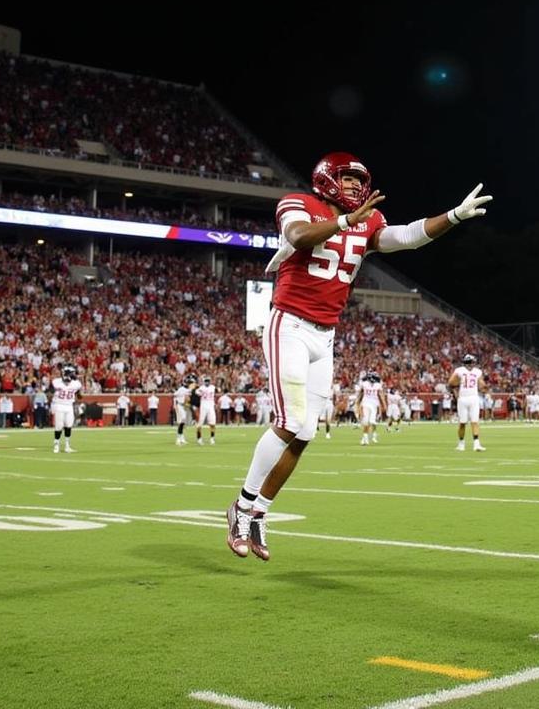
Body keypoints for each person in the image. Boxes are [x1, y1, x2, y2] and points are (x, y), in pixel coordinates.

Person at [226, 151, 491, 560]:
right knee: (290, 420)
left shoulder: (368, 220)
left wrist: (452, 216)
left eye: (357, 180)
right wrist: (347, 220)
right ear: (326, 178)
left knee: (307, 433)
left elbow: (404, 237)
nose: (354, 186)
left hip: (325, 335)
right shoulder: (299, 203)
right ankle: (241, 507)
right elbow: (299, 236)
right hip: (289, 324)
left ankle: (261, 511)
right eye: (346, 179)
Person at [449, 353, 486, 451]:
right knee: (463, 422)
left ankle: (476, 444)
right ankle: (461, 444)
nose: (472, 364)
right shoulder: (461, 371)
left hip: (472, 398)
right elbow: (451, 382)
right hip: (464, 399)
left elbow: (451, 383)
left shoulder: (475, 371)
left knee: (474, 421)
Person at [51, 364, 81, 453]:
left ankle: (67, 445)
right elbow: (55, 383)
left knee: (69, 425)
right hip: (59, 405)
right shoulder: (57, 382)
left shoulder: (76, 383)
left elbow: (78, 384)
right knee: (59, 426)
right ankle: (56, 444)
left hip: (69, 406)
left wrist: (71, 376)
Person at [196, 376, 217, 445]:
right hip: (203, 407)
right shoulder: (201, 388)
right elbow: (197, 392)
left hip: (211, 406)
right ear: (204, 381)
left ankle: (212, 438)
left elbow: (217, 391)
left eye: (208, 381)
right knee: (200, 423)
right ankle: (199, 438)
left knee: (213, 423)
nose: (207, 382)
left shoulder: (213, 387)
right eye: (206, 381)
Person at [173, 379, 190, 445]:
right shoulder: (181, 389)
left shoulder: (187, 390)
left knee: (182, 423)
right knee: (181, 421)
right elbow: (175, 395)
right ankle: (178, 438)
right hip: (179, 406)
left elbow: (187, 398)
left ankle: (182, 438)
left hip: (183, 406)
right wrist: (175, 405)